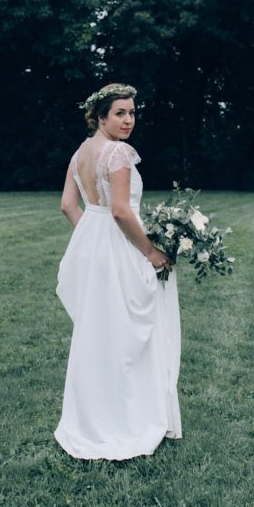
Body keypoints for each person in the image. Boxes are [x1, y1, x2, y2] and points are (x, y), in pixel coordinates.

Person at [54, 83, 182, 460]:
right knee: (129, 335)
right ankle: (126, 420)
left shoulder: (80, 153)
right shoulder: (118, 153)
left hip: (94, 251)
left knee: (99, 333)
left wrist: (93, 241)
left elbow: (68, 206)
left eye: (132, 113)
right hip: (123, 249)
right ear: (101, 117)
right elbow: (122, 212)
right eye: (120, 114)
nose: (128, 120)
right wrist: (152, 252)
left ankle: (92, 419)